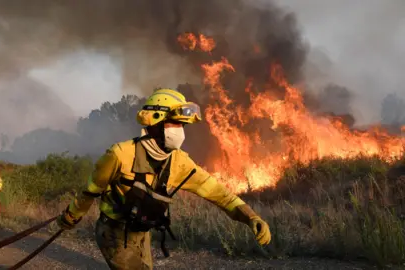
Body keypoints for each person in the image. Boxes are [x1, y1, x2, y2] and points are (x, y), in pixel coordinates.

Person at [56, 88, 271, 269]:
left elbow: (217, 193)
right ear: (155, 123)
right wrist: (71, 216)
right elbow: (91, 191)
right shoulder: (120, 154)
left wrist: (251, 217)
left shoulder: (179, 162)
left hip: (142, 233)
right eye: (175, 124)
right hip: (113, 233)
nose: (180, 131)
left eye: (182, 126)